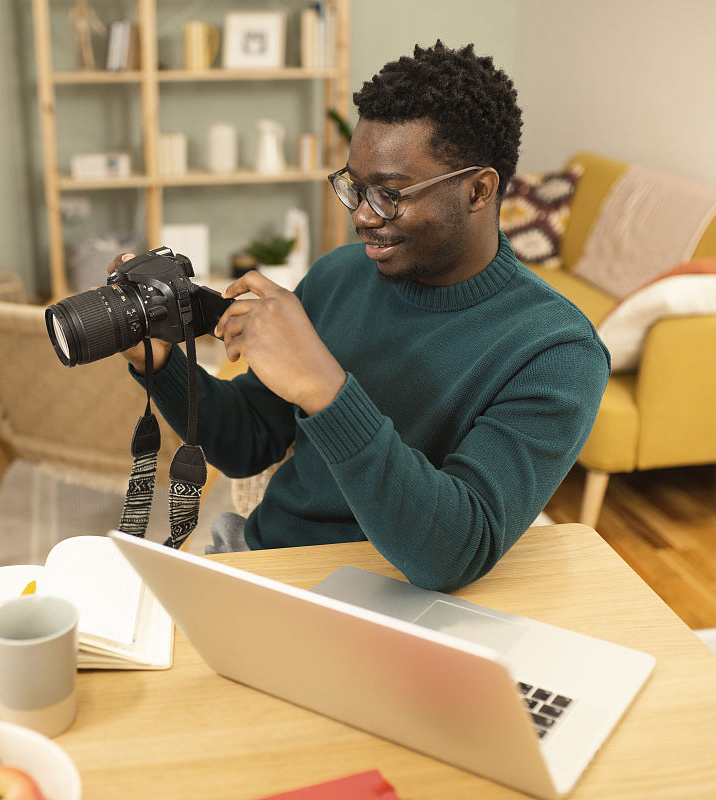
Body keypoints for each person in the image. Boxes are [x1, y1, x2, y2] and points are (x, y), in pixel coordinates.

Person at [113, 41, 609, 591]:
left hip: (406, 602)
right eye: (354, 187)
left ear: (479, 190)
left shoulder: (556, 352)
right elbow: (248, 440)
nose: (364, 216)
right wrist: (159, 362)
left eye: (392, 195)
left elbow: (455, 551)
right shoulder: (338, 276)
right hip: (271, 568)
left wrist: (326, 389)